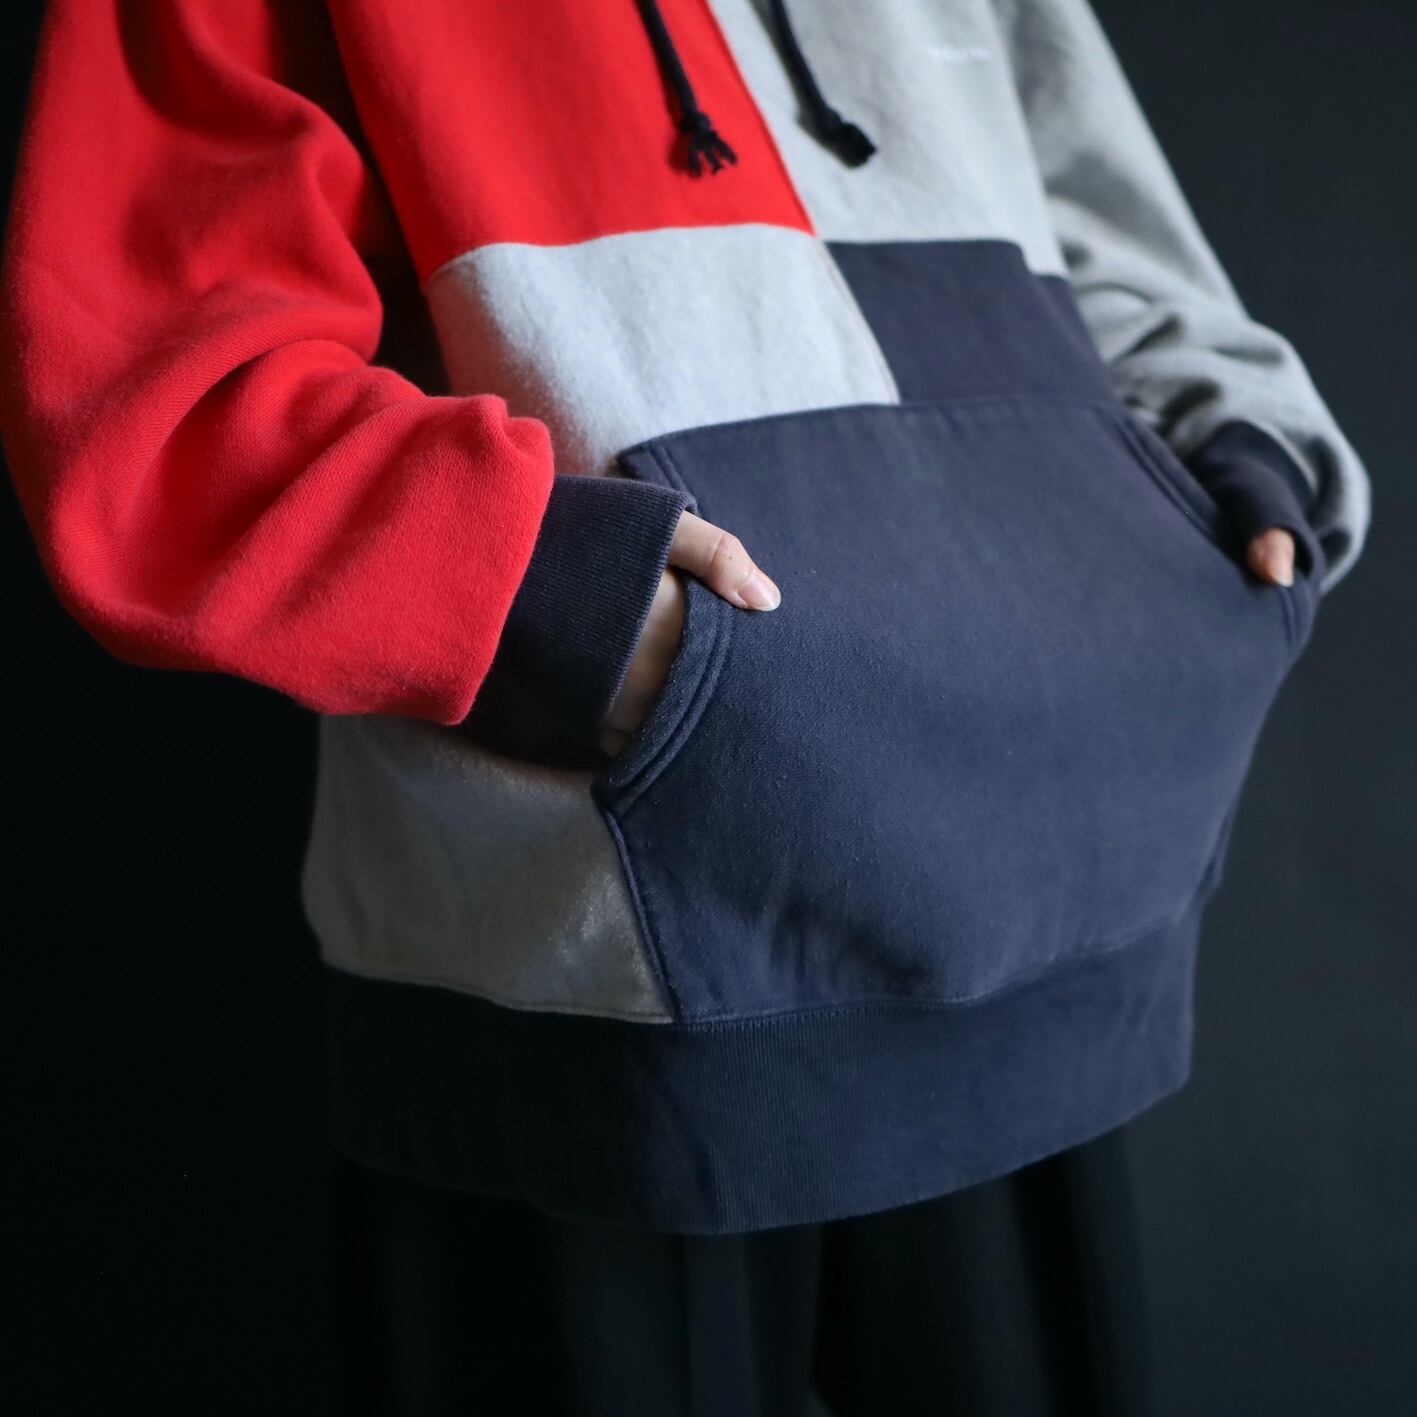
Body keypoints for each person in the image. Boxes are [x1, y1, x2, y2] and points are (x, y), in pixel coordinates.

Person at [0, 1, 1371, 1413]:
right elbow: (153, 393)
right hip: (597, 975)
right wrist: (568, 610)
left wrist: (1234, 452)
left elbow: (1099, 220)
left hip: (1058, 912)